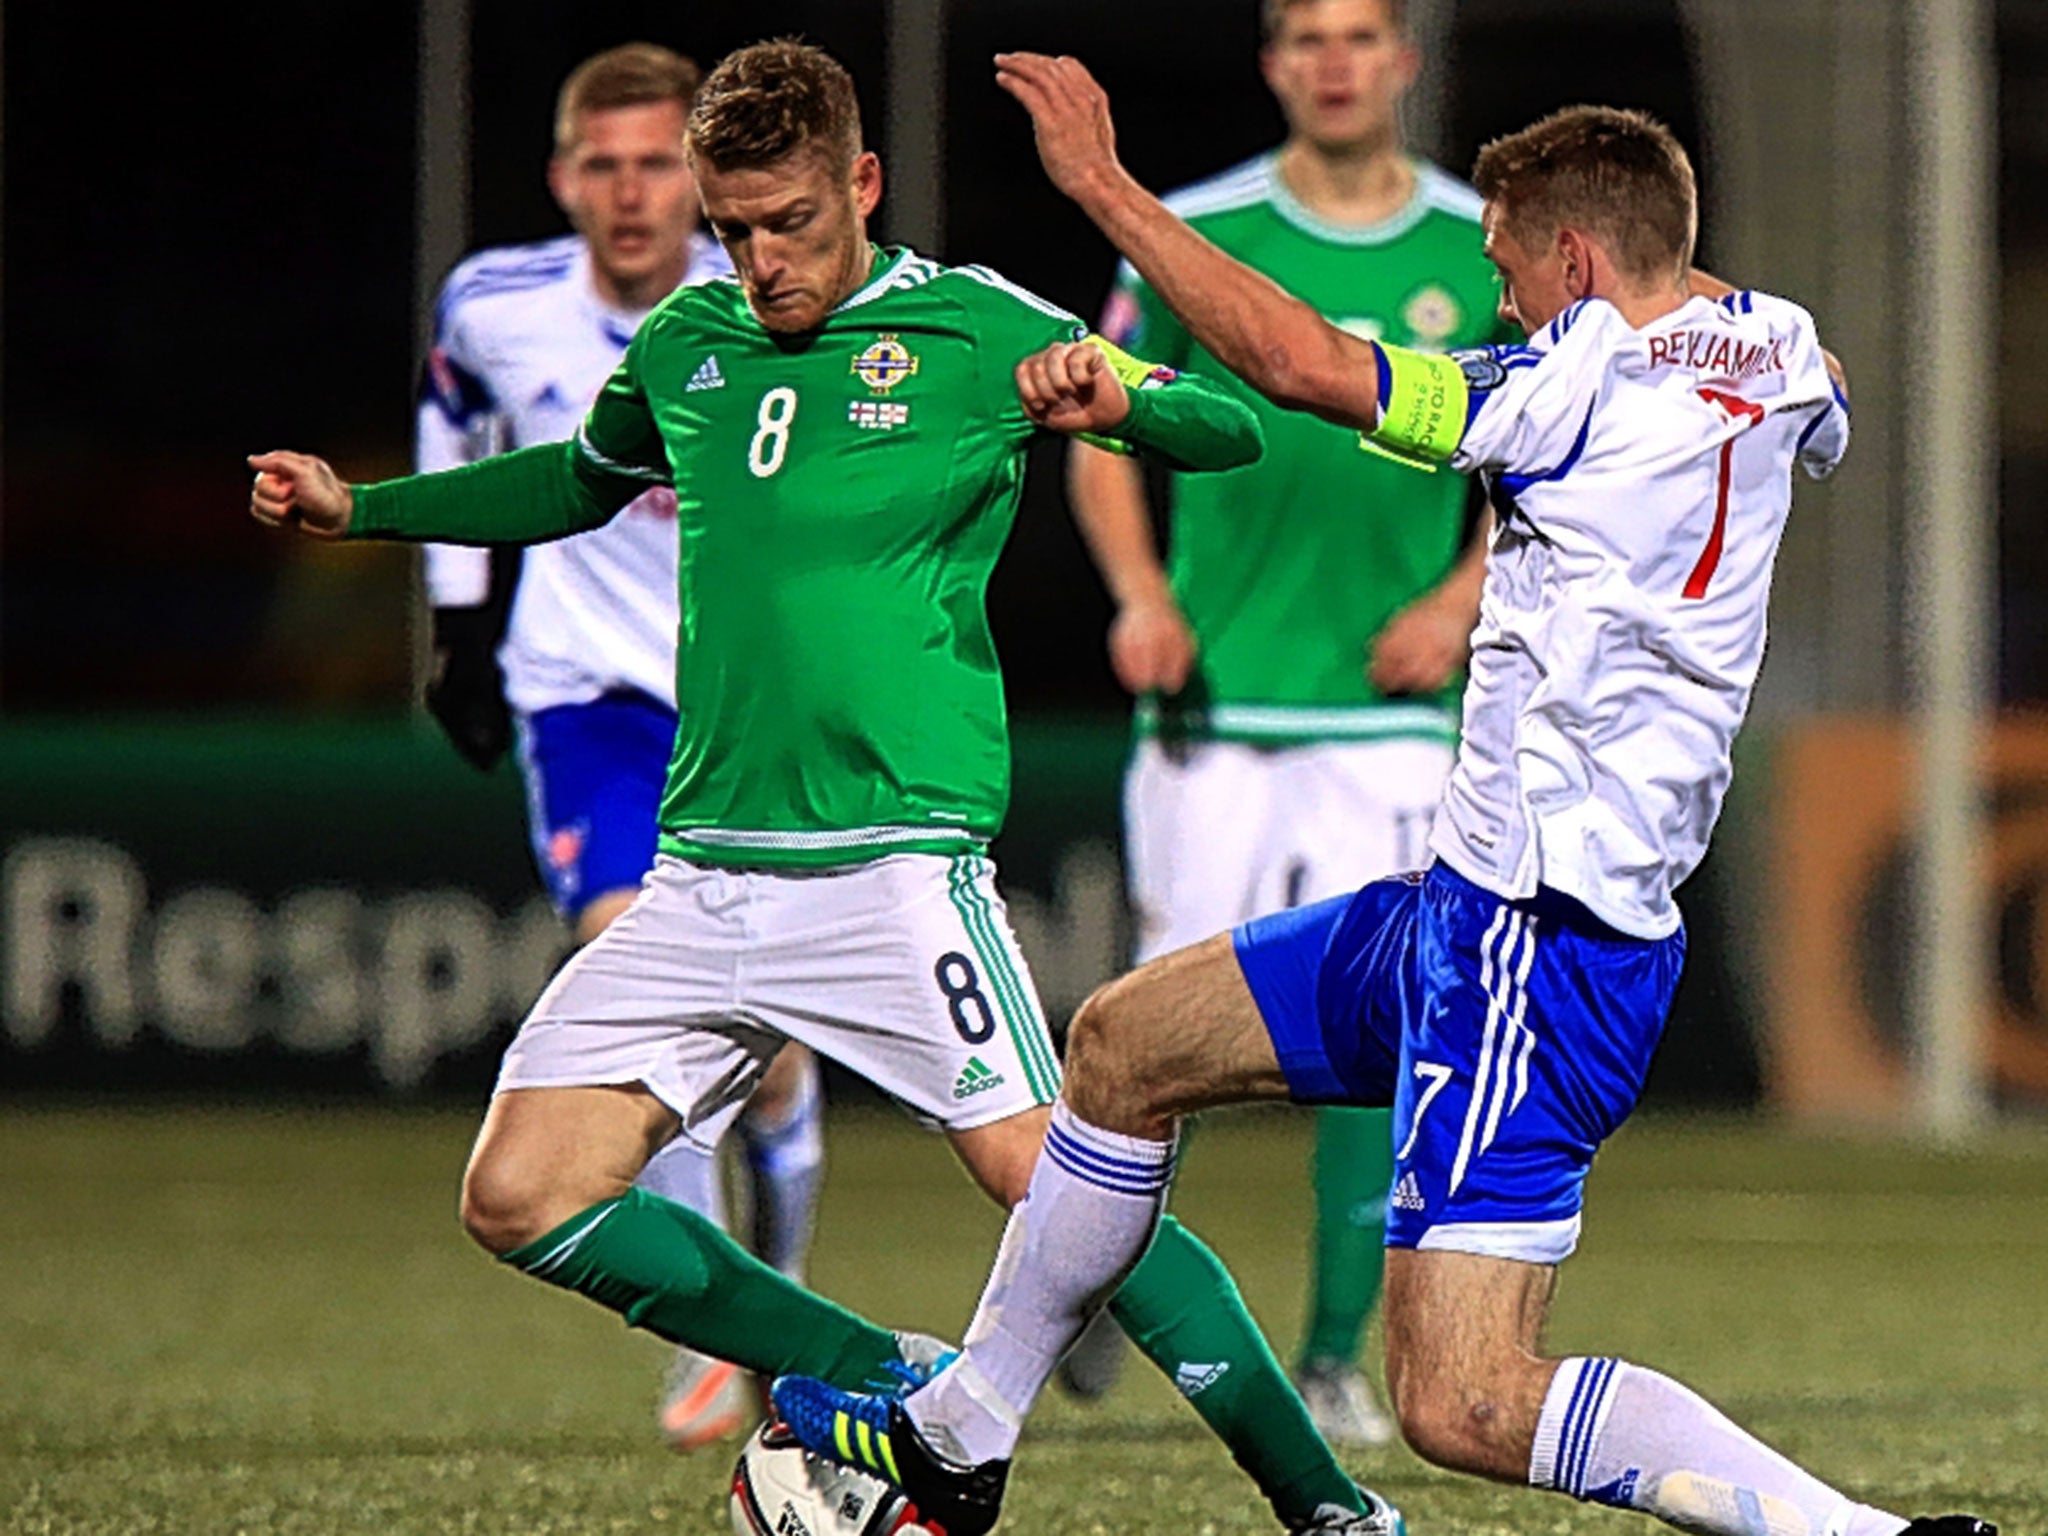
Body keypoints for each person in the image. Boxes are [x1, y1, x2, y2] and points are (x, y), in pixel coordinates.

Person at [767, 56, 1997, 1536]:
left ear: (1579, 266)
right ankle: (964, 1432)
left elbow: (1296, 365)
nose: (1498, 302)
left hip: (1537, 949)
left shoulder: (1564, 384)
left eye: (1511, 269)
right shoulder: (1781, 348)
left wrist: (1102, 189)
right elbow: (1785, 367)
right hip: (1462, 913)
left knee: (1462, 1401)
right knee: (1122, 1047)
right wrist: (1629, 264)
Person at [250, 39, 1404, 1536]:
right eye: (730, 228)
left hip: (892, 875)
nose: (759, 258)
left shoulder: (978, 327)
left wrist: (1108, 400)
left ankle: (1326, 1505)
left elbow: (1231, 426)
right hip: (703, 873)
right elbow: (570, 483)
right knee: (520, 1192)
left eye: (787, 221)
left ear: (861, 185)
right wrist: (366, 513)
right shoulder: (689, 343)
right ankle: (883, 1375)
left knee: (1074, 1202)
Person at [1058, 0, 1505, 1434]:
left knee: (1397, 1027)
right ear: (1272, 64)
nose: (1333, 58)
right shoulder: (1198, 228)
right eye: (1306, 35)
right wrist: (1138, 590)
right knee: (1146, 1036)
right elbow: (1101, 419)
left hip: (1394, 714)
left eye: (1360, 33)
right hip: (1216, 708)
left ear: (1401, 62)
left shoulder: (1474, 241)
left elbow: (1557, 439)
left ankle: (1329, 1353)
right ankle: (1088, 1292)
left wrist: (1463, 598)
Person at [414, 41, 828, 1451]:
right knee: (631, 956)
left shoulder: (763, 310)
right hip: (584, 698)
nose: (632, 192)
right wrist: (461, 628)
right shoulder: (496, 304)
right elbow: (456, 411)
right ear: (563, 178)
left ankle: (778, 1297)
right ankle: (710, 1347)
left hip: (746, 709)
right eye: (606, 165)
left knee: (770, 1064)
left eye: (660, 164)